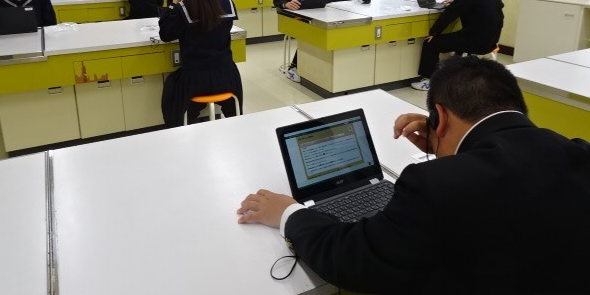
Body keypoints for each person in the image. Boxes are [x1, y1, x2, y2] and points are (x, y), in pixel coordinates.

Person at [237, 56, 590, 294]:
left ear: (441, 116)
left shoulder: (433, 185)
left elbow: (351, 259)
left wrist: (289, 212)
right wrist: (443, 141)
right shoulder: (578, 151)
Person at [159, 0, 243, 127]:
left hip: (195, 79)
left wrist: (174, 2)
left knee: (171, 86)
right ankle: (236, 124)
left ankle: (179, 129)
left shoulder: (183, 8)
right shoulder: (226, 2)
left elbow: (166, 35)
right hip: (227, 76)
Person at [411, 0, 504, 91]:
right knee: (459, 38)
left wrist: (434, 32)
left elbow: (451, 13)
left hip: (476, 40)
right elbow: (474, 3)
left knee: (430, 44)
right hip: (492, 39)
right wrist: (456, 1)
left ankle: (429, 81)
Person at [273, 0, 320, 82]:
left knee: (319, 31)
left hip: (310, 15)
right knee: (310, 33)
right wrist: (286, 4)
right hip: (291, 16)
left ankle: (310, 65)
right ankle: (294, 66)